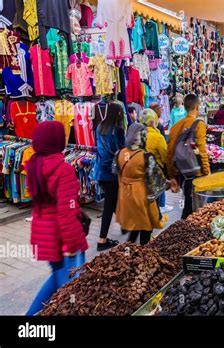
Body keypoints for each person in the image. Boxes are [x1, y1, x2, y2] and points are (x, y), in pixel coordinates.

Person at [26, 121, 88, 315]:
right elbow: (67, 213)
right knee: (72, 294)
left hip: (43, 237)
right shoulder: (64, 170)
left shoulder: (34, 166)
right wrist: (72, 246)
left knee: (56, 277)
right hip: (63, 240)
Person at [114, 123, 162, 245]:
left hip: (125, 194)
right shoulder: (146, 156)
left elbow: (115, 171)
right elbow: (154, 180)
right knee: (146, 226)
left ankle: (128, 250)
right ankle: (143, 252)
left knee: (134, 226)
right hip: (141, 194)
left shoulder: (119, 153)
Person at [167, 94, 210, 219]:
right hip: (196, 172)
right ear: (197, 107)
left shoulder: (175, 127)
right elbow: (202, 150)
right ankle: (187, 229)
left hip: (183, 172)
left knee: (188, 202)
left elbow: (169, 152)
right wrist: (206, 171)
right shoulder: (198, 124)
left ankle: (185, 227)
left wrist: (172, 176)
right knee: (196, 209)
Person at [94, 103, 125, 251]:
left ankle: (124, 224)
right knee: (109, 205)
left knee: (113, 200)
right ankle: (102, 239)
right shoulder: (117, 130)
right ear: (118, 114)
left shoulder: (99, 127)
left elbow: (98, 148)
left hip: (100, 171)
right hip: (112, 173)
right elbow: (122, 150)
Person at [141, 108, 173, 214]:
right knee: (155, 201)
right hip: (155, 174)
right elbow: (166, 156)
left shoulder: (137, 135)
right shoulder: (157, 137)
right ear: (152, 121)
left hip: (140, 172)